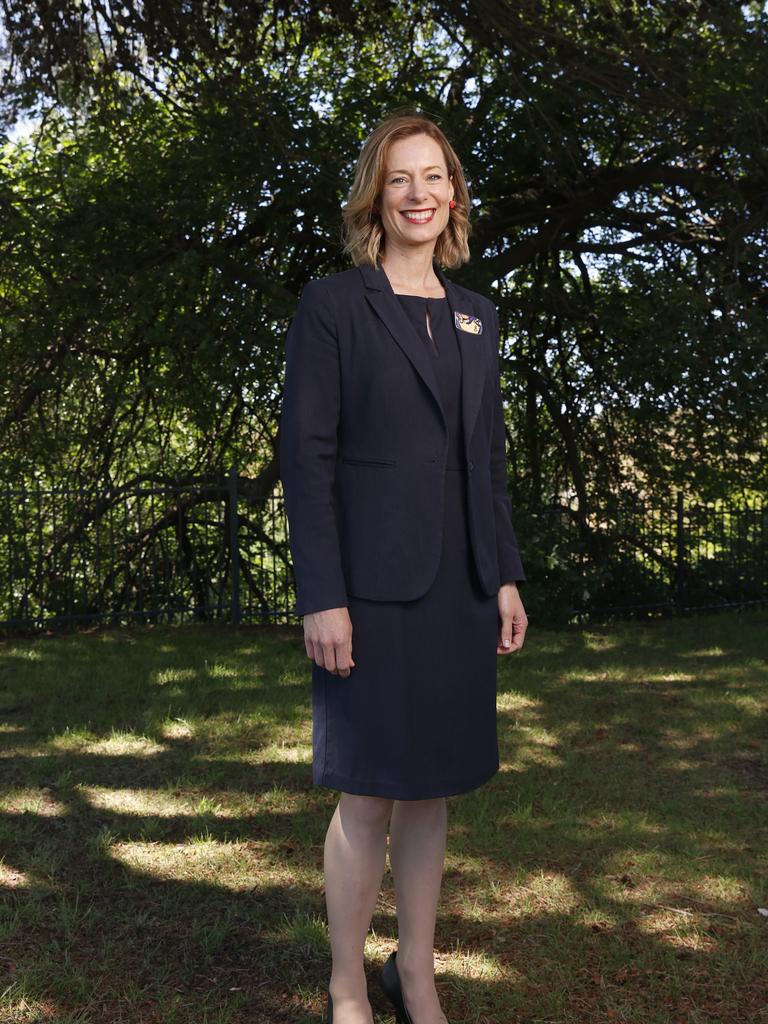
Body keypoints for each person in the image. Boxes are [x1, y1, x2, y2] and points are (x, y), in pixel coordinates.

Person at [279, 111, 528, 1024]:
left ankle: (412, 975)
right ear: (374, 199)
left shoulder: (478, 317)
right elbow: (306, 460)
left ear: (453, 196)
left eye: (434, 177)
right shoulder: (335, 305)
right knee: (370, 794)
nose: (419, 194)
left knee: (433, 793)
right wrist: (323, 597)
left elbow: (485, 462)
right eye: (399, 179)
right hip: (369, 595)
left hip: (459, 591)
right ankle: (348, 984)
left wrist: (502, 575)